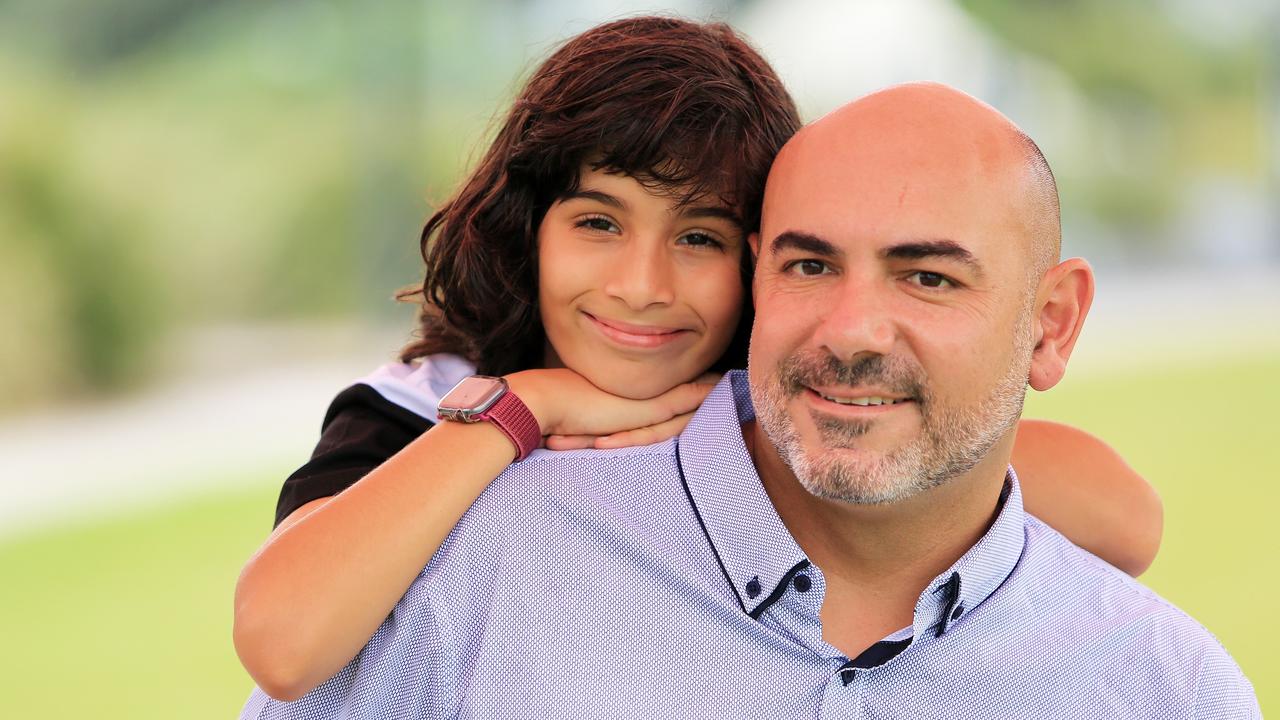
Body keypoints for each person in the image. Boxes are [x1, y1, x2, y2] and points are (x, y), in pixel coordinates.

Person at [235, 18, 1166, 708]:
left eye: (700, 237)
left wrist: (760, 426)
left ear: (761, 262)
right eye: (598, 223)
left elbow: (1124, 522)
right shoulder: (422, 407)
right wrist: (518, 415)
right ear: (530, 231)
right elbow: (283, 642)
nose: (642, 286)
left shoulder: (765, 396)